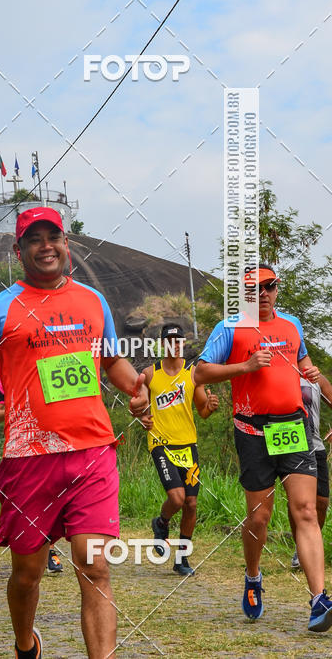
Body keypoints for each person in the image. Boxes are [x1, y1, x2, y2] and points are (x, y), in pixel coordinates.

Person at [0, 206, 148, 659]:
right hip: (28, 458)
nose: (46, 246)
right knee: (27, 573)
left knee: (94, 565)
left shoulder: (93, 301)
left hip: (92, 449)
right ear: (19, 250)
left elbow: (111, 361)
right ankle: (25, 643)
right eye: (34, 239)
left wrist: (135, 388)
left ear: (66, 244)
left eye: (53, 236)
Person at [195, 263, 332, 632]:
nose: (264, 294)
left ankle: (319, 599)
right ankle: (253, 576)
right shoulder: (230, 328)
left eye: (269, 287)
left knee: (304, 511)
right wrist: (245, 366)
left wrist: (313, 374)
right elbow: (201, 373)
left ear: (276, 288)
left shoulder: (291, 325)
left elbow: (303, 364)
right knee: (259, 517)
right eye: (255, 289)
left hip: (294, 427)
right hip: (253, 431)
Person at [139, 324, 219, 575]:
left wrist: (211, 405)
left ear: (183, 343)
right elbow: (141, 407)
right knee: (177, 498)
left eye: (178, 339)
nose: (174, 343)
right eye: (169, 339)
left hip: (188, 445)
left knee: (191, 504)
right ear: (163, 343)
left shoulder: (192, 374)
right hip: (161, 443)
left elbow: (203, 412)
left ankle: (181, 560)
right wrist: (143, 416)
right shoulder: (149, 374)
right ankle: (161, 523)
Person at [0, 377, 63, 575]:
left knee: (52, 504)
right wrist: (25, 407)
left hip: (54, 447)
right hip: (21, 452)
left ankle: (49, 550)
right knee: (27, 510)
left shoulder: (52, 367)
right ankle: (32, 553)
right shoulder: (4, 378)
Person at [289, 375, 332, 568]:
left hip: (315, 445)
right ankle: (301, 549)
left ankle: (307, 544)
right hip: (291, 445)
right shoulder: (278, 373)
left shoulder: (316, 378)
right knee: (297, 501)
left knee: (321, 501)